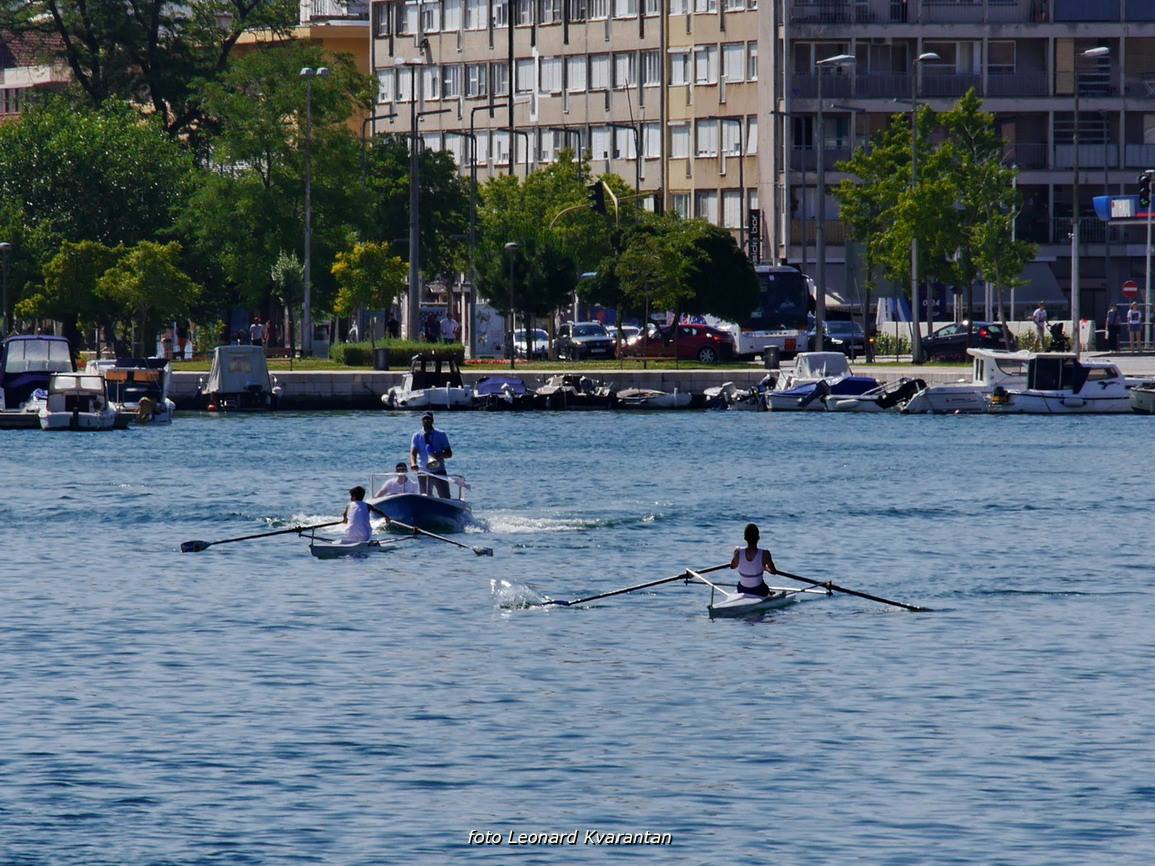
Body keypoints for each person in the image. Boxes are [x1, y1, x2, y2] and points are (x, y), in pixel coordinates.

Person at [410, 411, 453, 498]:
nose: (426, 421)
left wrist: (439, 455)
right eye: (424, 419)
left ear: (432, 420)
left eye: (428, 419)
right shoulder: (416, 436)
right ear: (421, 421)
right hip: (423, 471)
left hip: (439, 471)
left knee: (445, 496)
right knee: (425, 497)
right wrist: (413, 464)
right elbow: (413, 452)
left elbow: (449, 453)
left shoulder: (441, 434)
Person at [729, 523, 778, 597]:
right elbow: (773, 572)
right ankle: (769, 594)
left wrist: (735, 554)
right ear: (758, 538)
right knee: (765, 587)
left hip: (742, 589)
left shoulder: (738, 552)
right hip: (758, 590)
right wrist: (765, 568)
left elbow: (732, 566)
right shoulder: (765, 554)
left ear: (745, 538)